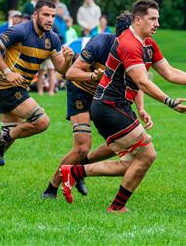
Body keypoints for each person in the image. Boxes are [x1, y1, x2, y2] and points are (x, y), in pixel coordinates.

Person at [58, 0, 186, 212]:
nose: (157, 24)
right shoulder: (129, 43)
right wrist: (169, 101)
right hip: (109, 105)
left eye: (158, 19)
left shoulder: (148, 43)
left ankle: (74, 173)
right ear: (138, 20)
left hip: (116, 106)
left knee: (131, 163)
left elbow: (169, 71)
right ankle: (115, 205)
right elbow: (143, 82)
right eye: (152, 19)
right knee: (147, 155)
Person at [0, 0, 73, 183]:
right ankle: (1, 138)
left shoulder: (53, 38)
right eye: (46, 15)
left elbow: (62, 70)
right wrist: (7, 72)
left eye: (53, 16)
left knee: (9, 135)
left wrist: (69, 59)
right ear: (35, 15)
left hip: (18, 88)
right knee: (42, 122)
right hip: (6, 87)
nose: (50, 19)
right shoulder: (20, 30)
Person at [42, 11, 134, 199]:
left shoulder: (136, 50)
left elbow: (137, 82)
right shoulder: (100, 43)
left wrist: (141, 108)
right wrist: (93, 76)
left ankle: (80, 168)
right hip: (81, 92)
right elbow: (71, 74)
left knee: (123, 143)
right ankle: (51, 189)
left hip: (106, 97)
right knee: (82, 146)